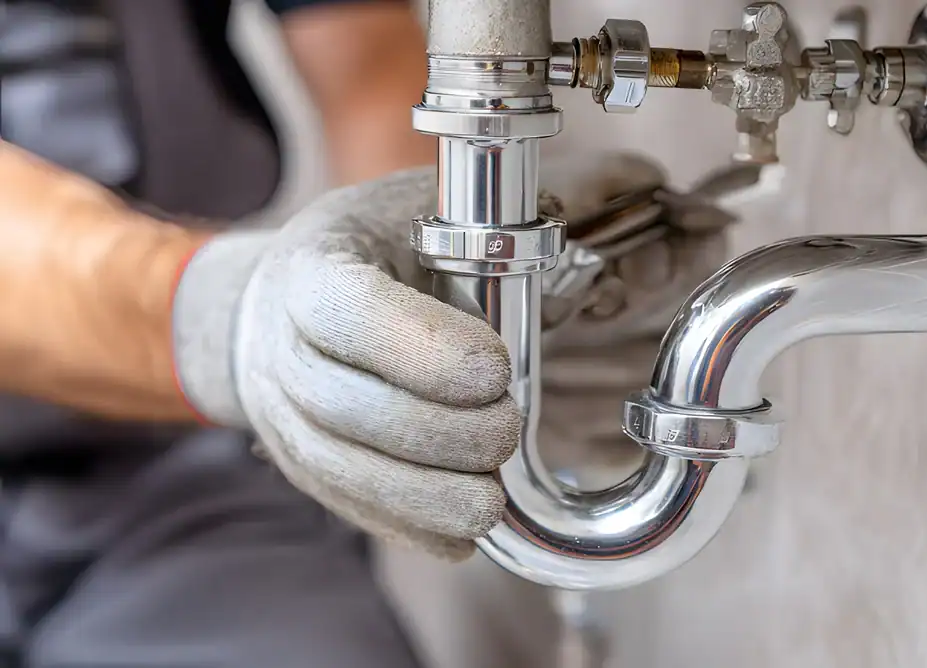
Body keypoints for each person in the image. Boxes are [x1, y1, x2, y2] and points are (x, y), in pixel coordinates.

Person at [0, 0, 734, 665]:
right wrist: (226, 320)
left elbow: (369, 72)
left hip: (169, 488)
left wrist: (447, 313)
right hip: (179, 371)